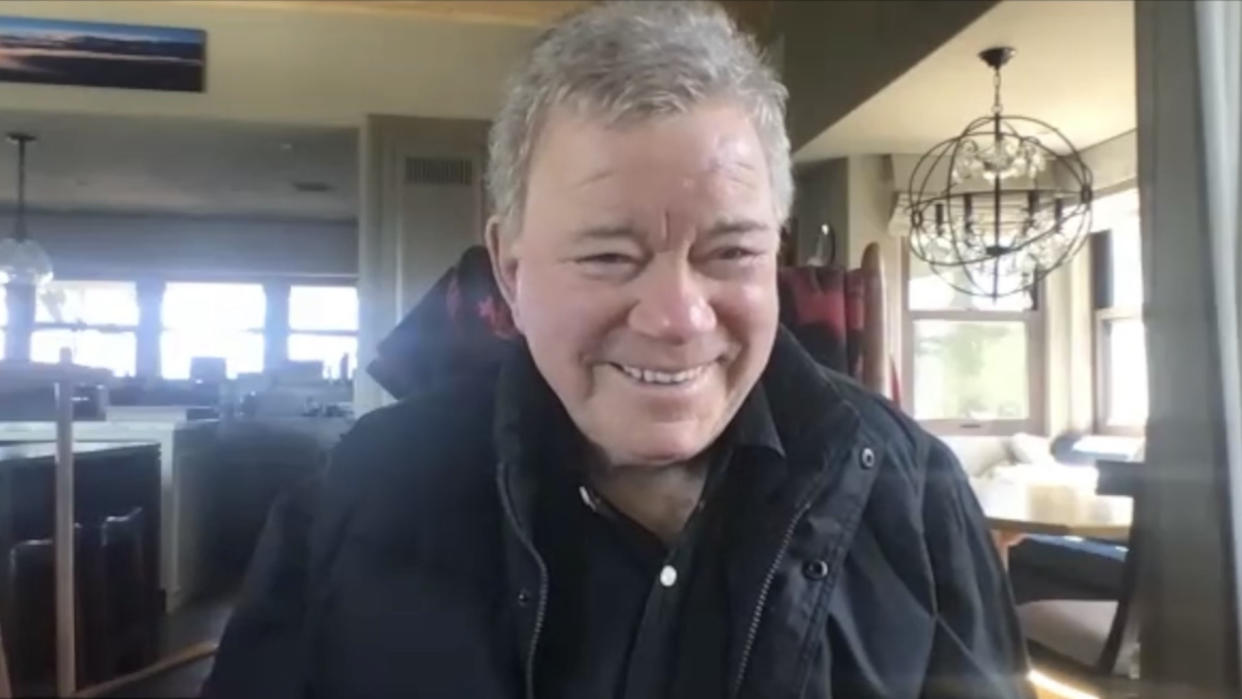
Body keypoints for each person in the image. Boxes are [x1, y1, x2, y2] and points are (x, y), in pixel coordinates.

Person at [204, 3, 1032, 697]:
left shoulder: (914, 497)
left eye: (730, 253)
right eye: (608, 255)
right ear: (511, 268)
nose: (677, 318)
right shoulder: (355, 499)